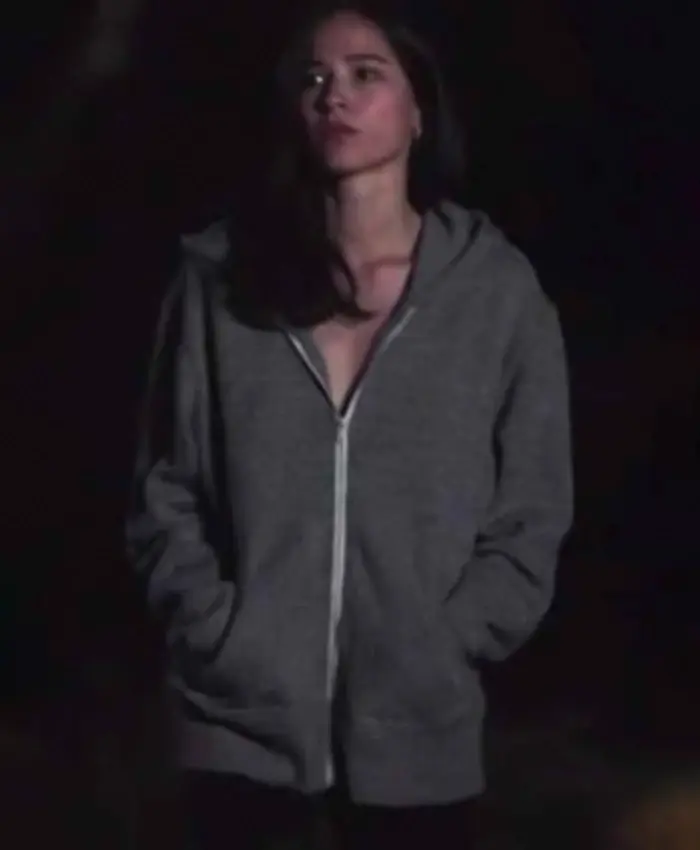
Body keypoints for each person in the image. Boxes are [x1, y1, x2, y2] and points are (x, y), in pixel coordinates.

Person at [126, 1, 573, 847]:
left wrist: (446, 642)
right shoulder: (219, 281)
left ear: (417, 112)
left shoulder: (496, 296)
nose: (335, 95)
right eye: (315, 79)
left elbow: (533, 509)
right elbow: (165, 488)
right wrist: (218, 633)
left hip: (420, 737)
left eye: (366, 74)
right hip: (237, 729)